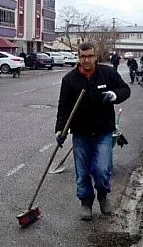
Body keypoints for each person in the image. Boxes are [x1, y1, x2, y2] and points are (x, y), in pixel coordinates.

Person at [55, 42, 131, 221]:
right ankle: (86, 202)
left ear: (96, 56)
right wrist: (60, 130)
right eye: (82, 57)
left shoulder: (107, 73)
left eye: (89, 56)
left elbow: (125, 90)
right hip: (80, 133)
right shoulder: (70, 79)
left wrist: (114, 95)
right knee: (82, 171)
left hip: (103, 131)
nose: (86, 60)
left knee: (102, 169)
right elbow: (64, 107)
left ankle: (103, 195)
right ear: (78, 57)